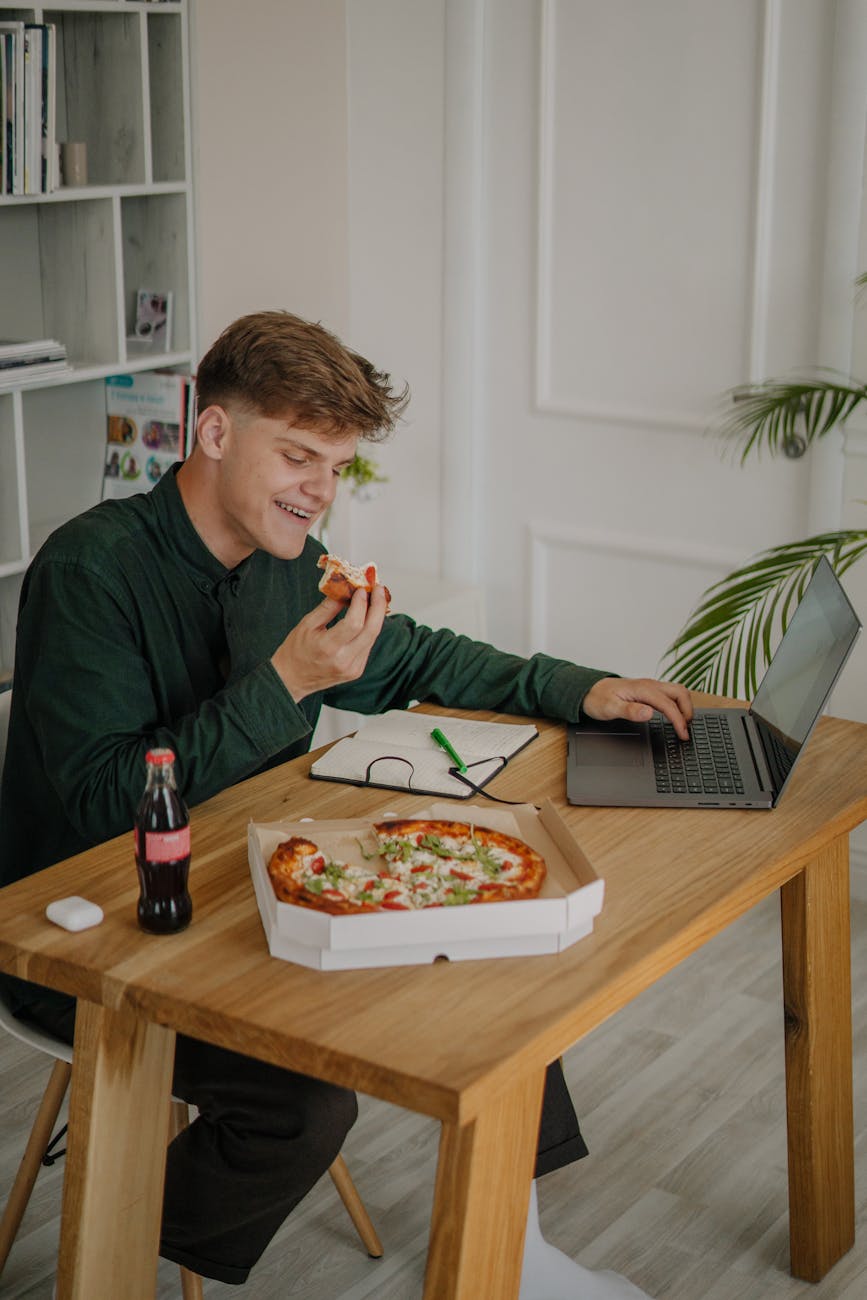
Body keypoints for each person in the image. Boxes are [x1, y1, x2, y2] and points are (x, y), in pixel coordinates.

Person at [0, 310, 691, 1297]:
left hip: (249, 886)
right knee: (304, 1104)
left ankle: (517, 1258)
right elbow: (105, 801)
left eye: (336, 465)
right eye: (299, 456)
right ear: (214, 431)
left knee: (496, 961)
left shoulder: (288, 560)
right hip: (95, 929)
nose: (320, 489)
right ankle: (98, 1251)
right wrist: (286, 681)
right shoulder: (90, 570)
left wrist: (583, 688)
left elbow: (409, 655)